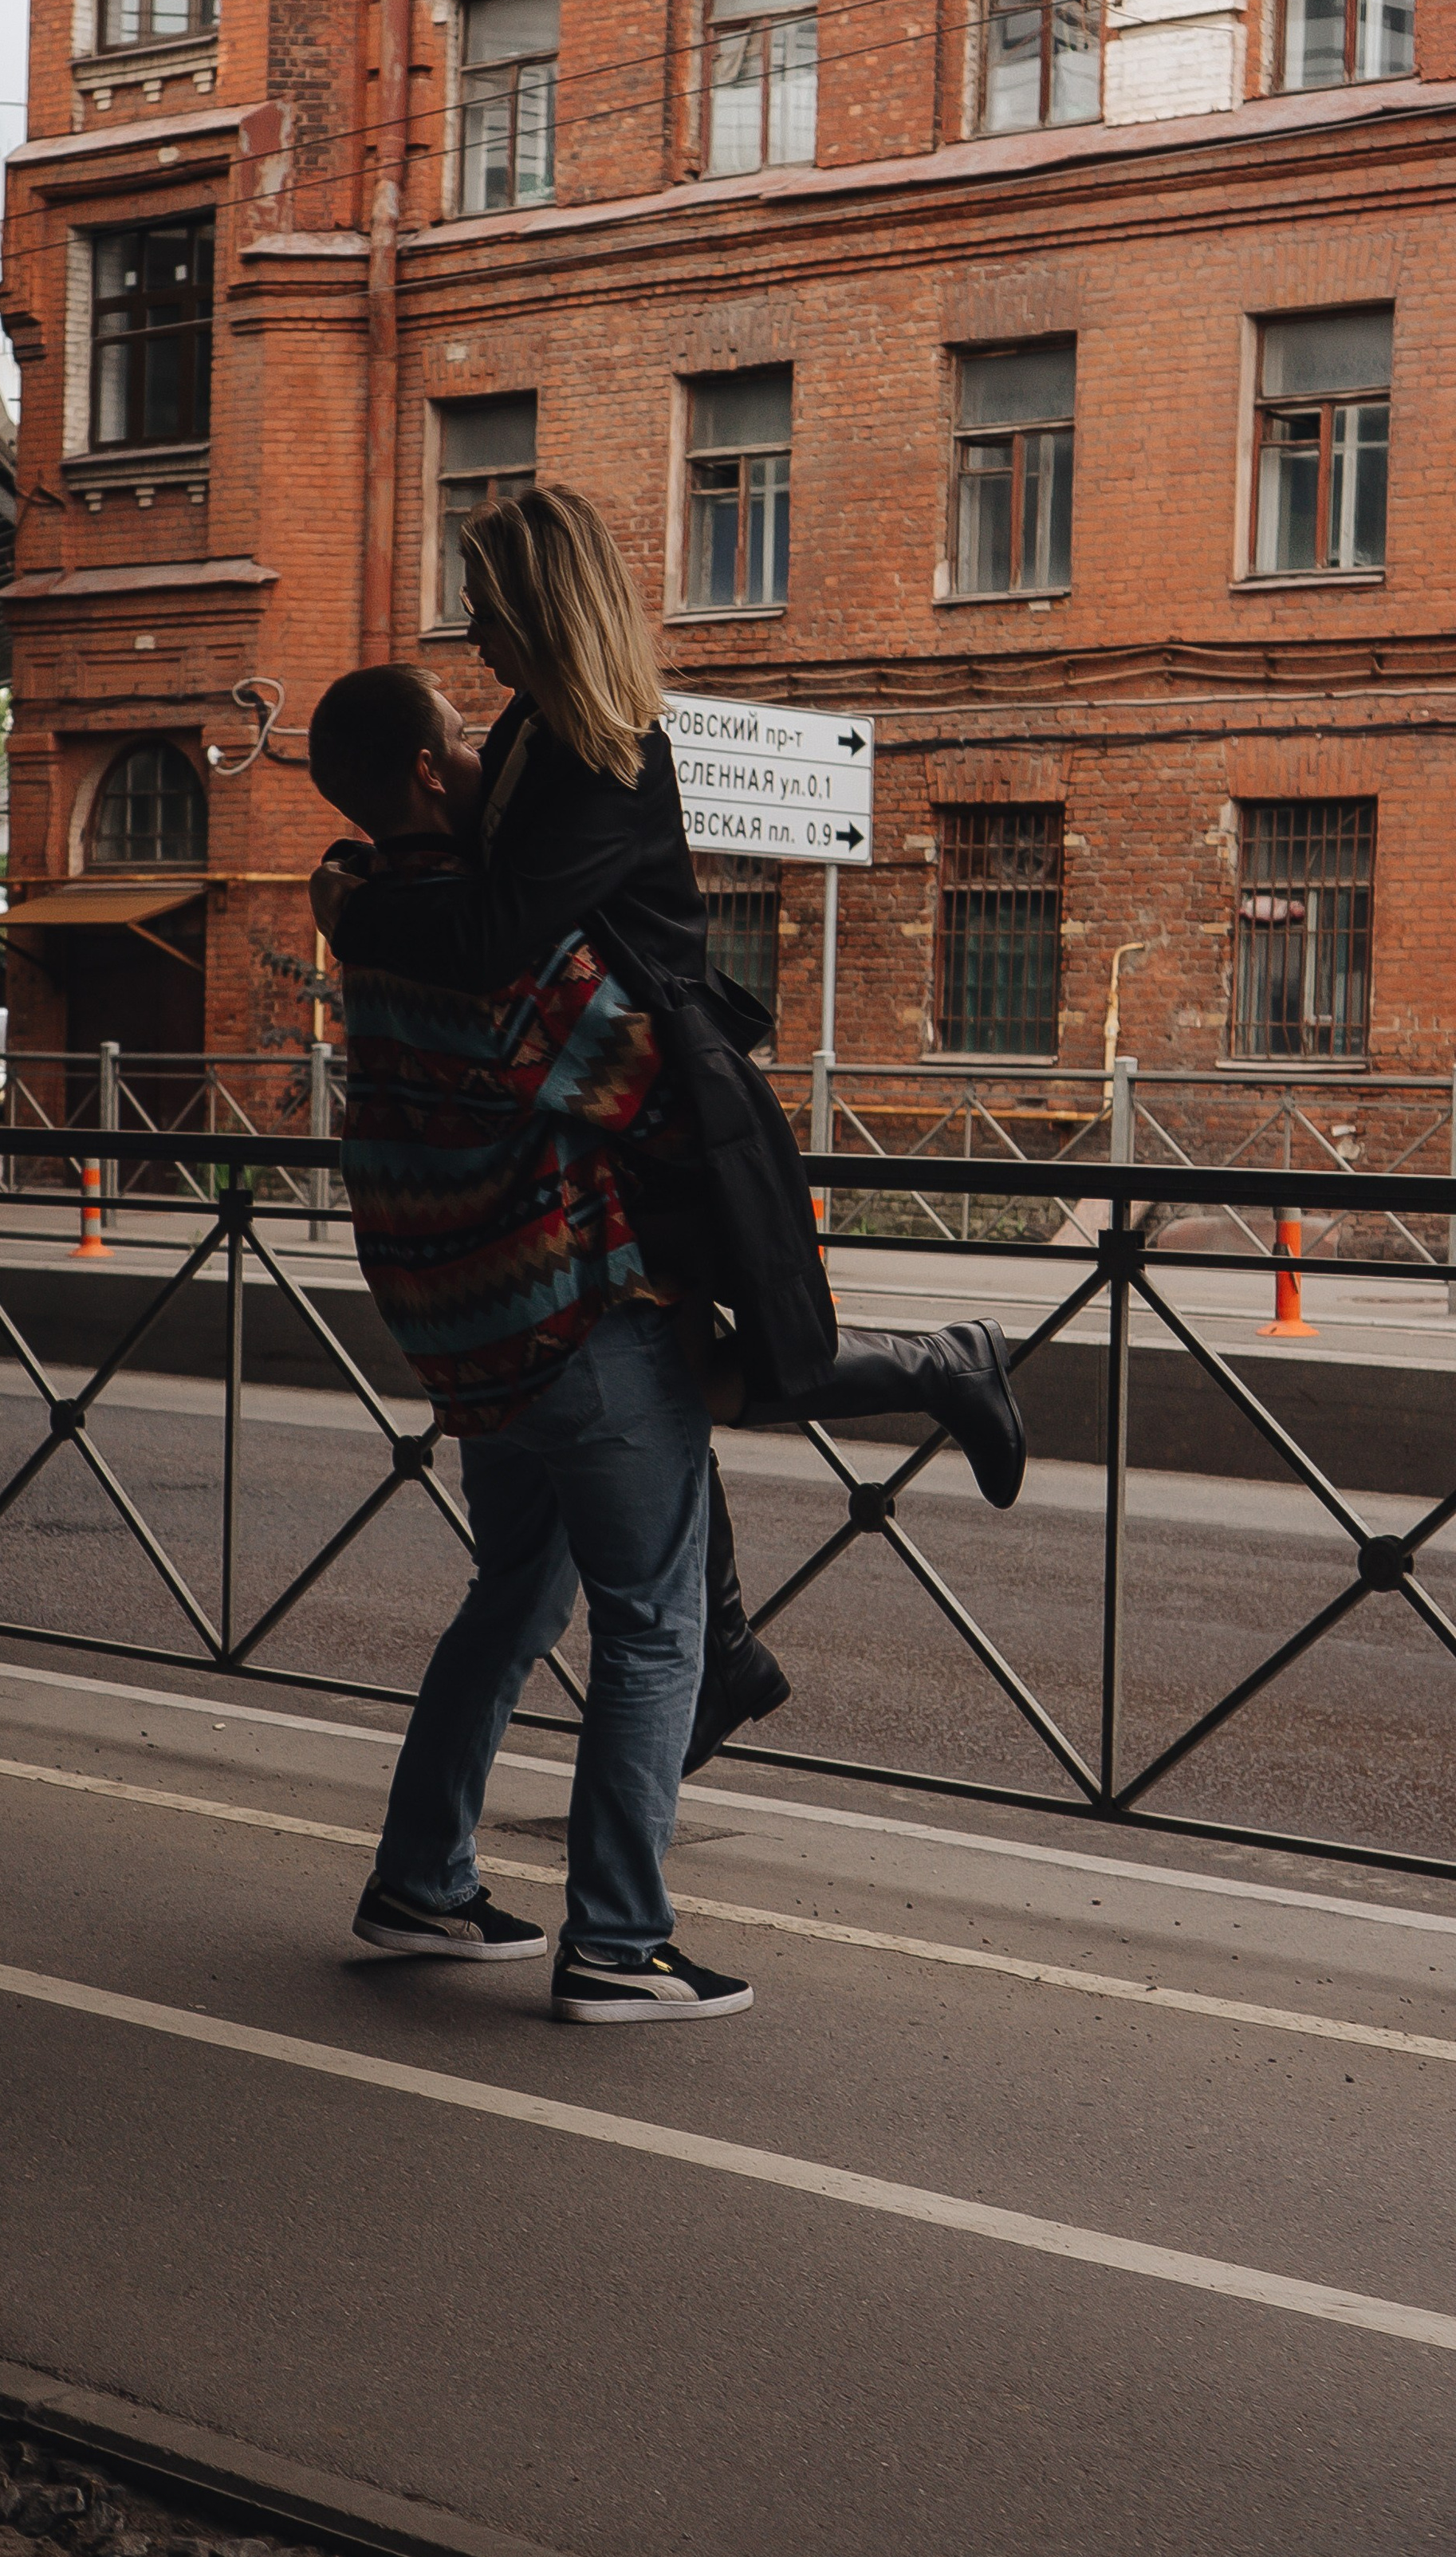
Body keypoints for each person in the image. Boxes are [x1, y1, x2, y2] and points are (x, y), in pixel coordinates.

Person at [315, 484, 1028, 1767]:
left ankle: (938, 1374)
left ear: (540, 608)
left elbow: (486, 937)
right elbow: (473, 892)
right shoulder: (539, 729)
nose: (472, 640)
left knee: (720, 1368)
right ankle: (735, 1643)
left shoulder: (605, 755)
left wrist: (352, 905)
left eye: (484, 610)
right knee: (676, 1378)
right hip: (590, 1106)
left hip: (654, 1099)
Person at [309, 660, 754, 2023]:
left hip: (464, 1339)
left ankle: (422, 1882)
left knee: (514, 1596)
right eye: (459, 727)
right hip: (573, 1320)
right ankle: (620, 1943)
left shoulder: (368, 917)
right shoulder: (492, 943)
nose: (479, 735)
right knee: (655, 1629)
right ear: (438, 775)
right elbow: (643, 1080)